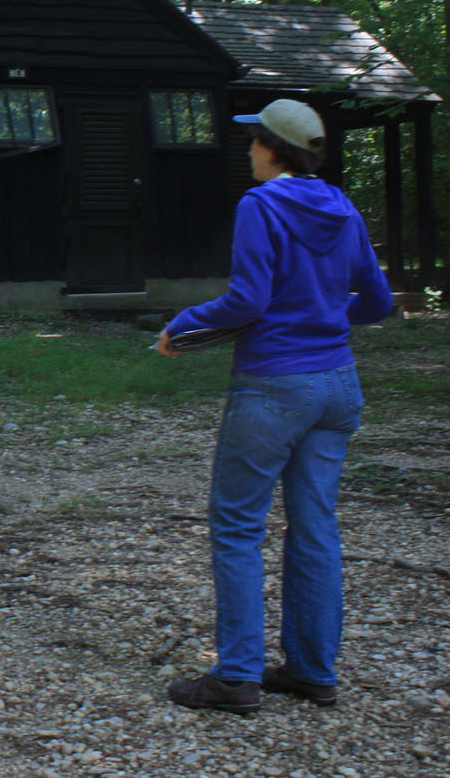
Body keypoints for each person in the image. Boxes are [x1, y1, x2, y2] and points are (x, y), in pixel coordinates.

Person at [156, 98, 393, 715]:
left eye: (253, 142)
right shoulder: (342, 207)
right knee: (315, 527)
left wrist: (181, 326)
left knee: (237, 527)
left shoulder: (260, 205)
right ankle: (314, 671)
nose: (249, 152)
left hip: (274, 386)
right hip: (338, 384)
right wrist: (327, 320)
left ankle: (236, 678)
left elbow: (248, 300)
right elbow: (377, 300)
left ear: (272, 148)